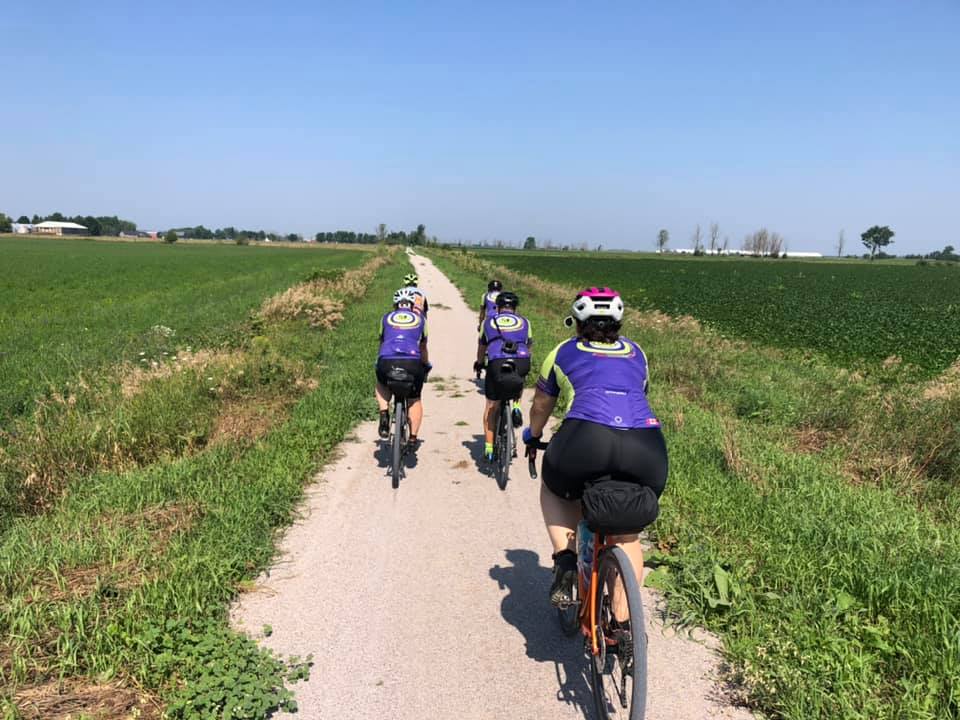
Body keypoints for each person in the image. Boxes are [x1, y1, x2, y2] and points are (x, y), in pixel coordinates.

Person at [522, 287, 667, 607]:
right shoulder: (637, 352)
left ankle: (565, 560)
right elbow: (641, 393)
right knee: (628, 534)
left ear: (576, 320)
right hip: (646, 445)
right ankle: (625, 633)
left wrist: (533, 435)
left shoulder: (563, 351)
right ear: (618, 321)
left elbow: (541, 405)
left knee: (555, 487)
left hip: (586, 439)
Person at [476, 291, 532, 462]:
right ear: (515, 308)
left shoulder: (488, 321)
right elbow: (529, 346)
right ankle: (516, 405)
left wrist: (479, 363)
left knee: (492, 406)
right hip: (521, 359)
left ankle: (489, 448)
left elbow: (482, 348)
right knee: (518, 379)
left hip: (497, 361)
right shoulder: (525, 322)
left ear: (498, 307)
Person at [376, 287, 430, 448]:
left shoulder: (385, 318)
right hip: (412, 361)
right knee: (414, 398)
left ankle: (384, 412)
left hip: (387, 359)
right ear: (412, 305)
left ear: (396, 305)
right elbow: (423, 347)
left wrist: (380, 360)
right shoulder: (421, 320)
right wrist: (426, 364)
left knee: (381, 383)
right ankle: (413, 437)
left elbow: (382, 341)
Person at [473, 279, 503, 375]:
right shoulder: (503, 296)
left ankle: (479, 364)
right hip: (502, 320)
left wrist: (480, 324)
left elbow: (482, 312)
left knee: (482, 342)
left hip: (489, 321)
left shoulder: (485, 296)